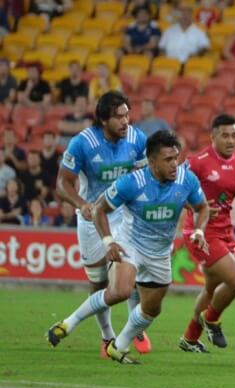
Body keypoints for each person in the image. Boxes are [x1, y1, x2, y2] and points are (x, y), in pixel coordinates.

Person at [47, 130, 209, 364]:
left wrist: (199, 230)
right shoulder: (132, 183)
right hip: (130, 244)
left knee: (152, 309)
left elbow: (202, 207)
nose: (175, 164)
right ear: (152, 162)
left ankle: (119, 346)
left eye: (176, 157)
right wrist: (108, 241)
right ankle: (68, 323)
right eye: (168, 160)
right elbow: (100, 209)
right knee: (120, 291)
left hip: (160, 253)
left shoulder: (186, 180)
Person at [48, 91, 150, 357]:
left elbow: (142, 178)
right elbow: (62, 184)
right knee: (98, 283)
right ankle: (107, 336)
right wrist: (81, 203)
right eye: (119, 116)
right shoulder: (82, 143)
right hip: (92, 216)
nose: (125, 121)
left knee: (130, 272)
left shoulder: (137, 139)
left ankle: (134, 326)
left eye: (127, 115)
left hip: (123, 215)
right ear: (104, 119)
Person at [179, 114, 235, 353]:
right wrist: (196, 207)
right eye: (225, 135)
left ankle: (189, 339)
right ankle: (211, 319)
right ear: (212, 136)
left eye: (234, 135)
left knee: (212, 288)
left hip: (225, 231)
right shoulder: (197, 162)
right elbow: (173, 190)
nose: (230, 140)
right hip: (201, 232)